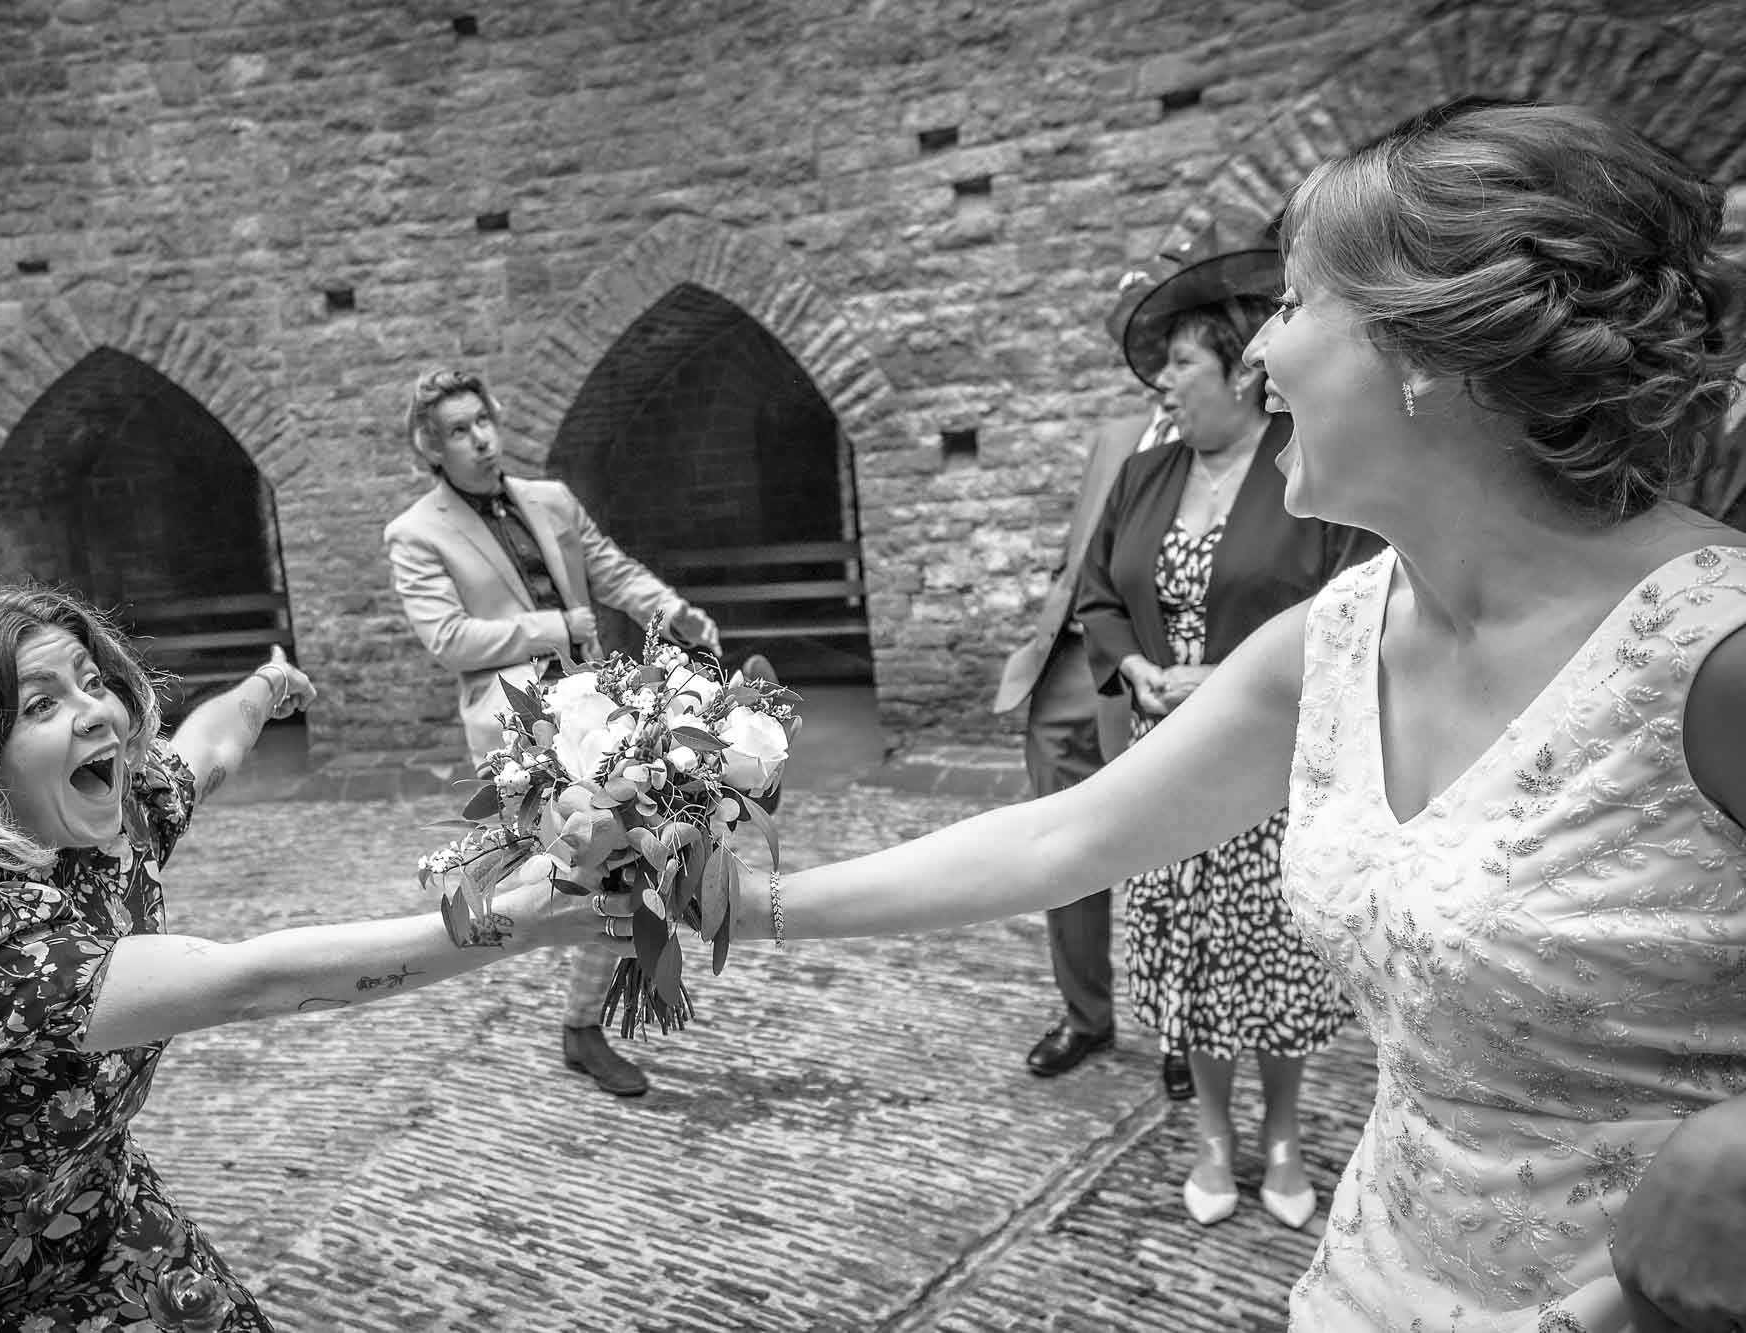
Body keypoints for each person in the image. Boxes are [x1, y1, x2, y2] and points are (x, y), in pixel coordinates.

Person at [690, 101, 1746, 1329]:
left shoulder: (1711, 651)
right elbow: (1061, 839)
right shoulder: (1338, 638)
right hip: (1379, 1282)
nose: (1261, 357)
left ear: (1422, 353)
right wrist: (727, 902)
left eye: (1294, 307)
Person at [0, 585, 615, 1331]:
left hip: (101, 1218)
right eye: (42, 703)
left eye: (93, 681)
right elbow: (252, 982)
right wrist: (521, 922)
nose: (99, 714)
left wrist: (266, 686)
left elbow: (207, 750)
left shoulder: (93, 835)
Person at [1073, 234, 1381, 1227]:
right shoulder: (1141, 479)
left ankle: (1282, 1132)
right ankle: (1212, 1131)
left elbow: (1353, 605)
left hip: (1271, 767)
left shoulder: (1304, 478)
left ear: (1243, 374)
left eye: (1178, 365)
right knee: (1192, 962)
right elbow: (1096, 598)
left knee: (1273, 960)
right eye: (1160, 368)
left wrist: (1234, 677)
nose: (1161, 386)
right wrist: (1134, 670)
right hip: (1167, 764)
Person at [385, 367, 724, 1098]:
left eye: (483, 420)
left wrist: (677, 613)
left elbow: (611, 570)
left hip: (596, 708)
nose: (479, 437)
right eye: (457, 430)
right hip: (517, 732)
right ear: (431, 448)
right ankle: (566, 1002)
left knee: (631, 859)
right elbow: (447, 639)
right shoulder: (414, 534)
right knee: (603, 865)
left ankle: (582, 1022)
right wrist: (551, 627)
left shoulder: (552, 501)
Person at [992, 406, 1161, 1082]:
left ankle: (1190, 1030)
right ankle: (1086, 1015)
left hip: (1164, 668)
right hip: (1071, 663)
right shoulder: (1117, 433)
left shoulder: (1258, 436)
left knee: (1175, 853)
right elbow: (1081, 554)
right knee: (1061, 845)